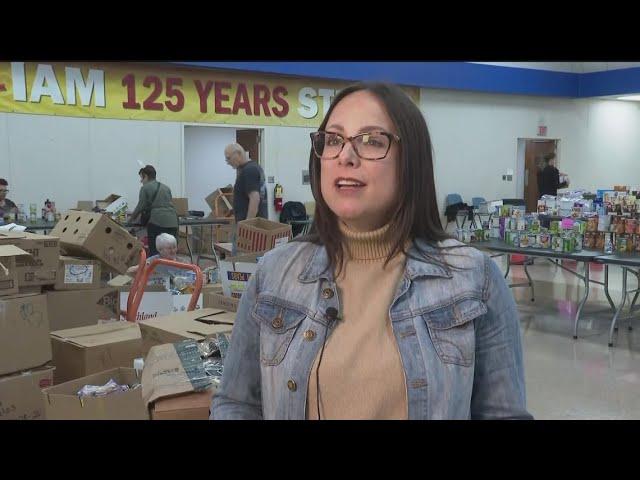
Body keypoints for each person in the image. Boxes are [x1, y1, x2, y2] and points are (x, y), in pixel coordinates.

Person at [211, 82, 532, 420]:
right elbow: (236, 403)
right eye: (334, 140)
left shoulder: (473, 279)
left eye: (371, 141)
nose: (345, 156)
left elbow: (503, 413)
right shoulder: (275, 274)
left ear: (411, 161)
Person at [130, 165, 178, 257]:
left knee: (156, 250)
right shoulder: (166, 188)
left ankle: (156, 270)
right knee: (171, 250)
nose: (141, 181)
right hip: (173, 222)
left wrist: (131, 219)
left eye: (141, 178)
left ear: (146, 176)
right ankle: (171, 269)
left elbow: (141, 206)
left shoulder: (145, 188)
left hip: (157, 222)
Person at [224, 144, 268, 222]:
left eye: (228, 158)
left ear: (238, 153)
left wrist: (247, 225)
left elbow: (255, 199)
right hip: (256, 224)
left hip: (252, 228)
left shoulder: (249, 170)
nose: (228, 162)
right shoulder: (254, 167)